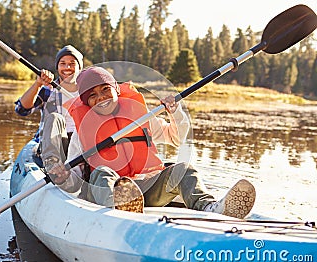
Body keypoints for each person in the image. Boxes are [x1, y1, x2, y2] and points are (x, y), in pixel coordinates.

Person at [49, 66, 256, 219]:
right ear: (86, 102)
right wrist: (64, 178)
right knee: (102, 172)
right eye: (92, 96)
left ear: (116, 90)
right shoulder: (81, 132)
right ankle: (117, 209)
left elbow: (176, 137)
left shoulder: (141, 117)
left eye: (105, 89)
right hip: (107, 191)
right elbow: (75, 179)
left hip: (146, 187)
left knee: (185, 169)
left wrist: (176, 112)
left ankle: (211, 208)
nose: (101, 97)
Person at [14, 45, 84, 169]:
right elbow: (22, 110)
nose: (67, 67)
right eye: (63, 63)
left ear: (80, 67)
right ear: (57, 67)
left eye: (72, 63)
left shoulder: (87, 92)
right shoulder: (48, 90)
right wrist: (38, 84)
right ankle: (52, 164)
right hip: (54, 144)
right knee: (55, 118)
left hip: (78, 145)